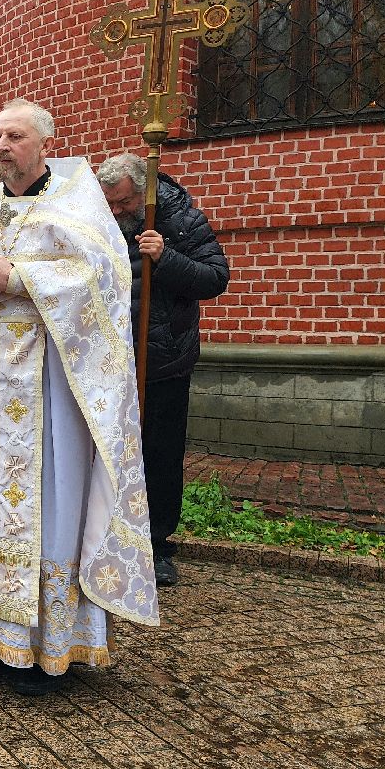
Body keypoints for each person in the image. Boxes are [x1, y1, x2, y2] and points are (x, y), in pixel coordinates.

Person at [0, 98, 160, 697]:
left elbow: (104, 278)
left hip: (46, 388)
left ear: (45, 143)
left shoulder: (76, 206)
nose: (1, 146)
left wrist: (18, 278)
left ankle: (45, 646)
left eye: (14, 135)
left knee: (42, 505)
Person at [97, 153, 229, 588]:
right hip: (113, 362)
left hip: (164, 362)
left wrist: (166, 257)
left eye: (125, 203)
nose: (117, 212)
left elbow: (214, 278)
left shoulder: (181, 219)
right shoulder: (102, 224)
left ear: (145, 191)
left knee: (159, 456)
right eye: (110, 204)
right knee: (113, 455)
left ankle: (157, 545)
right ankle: (111, 535)